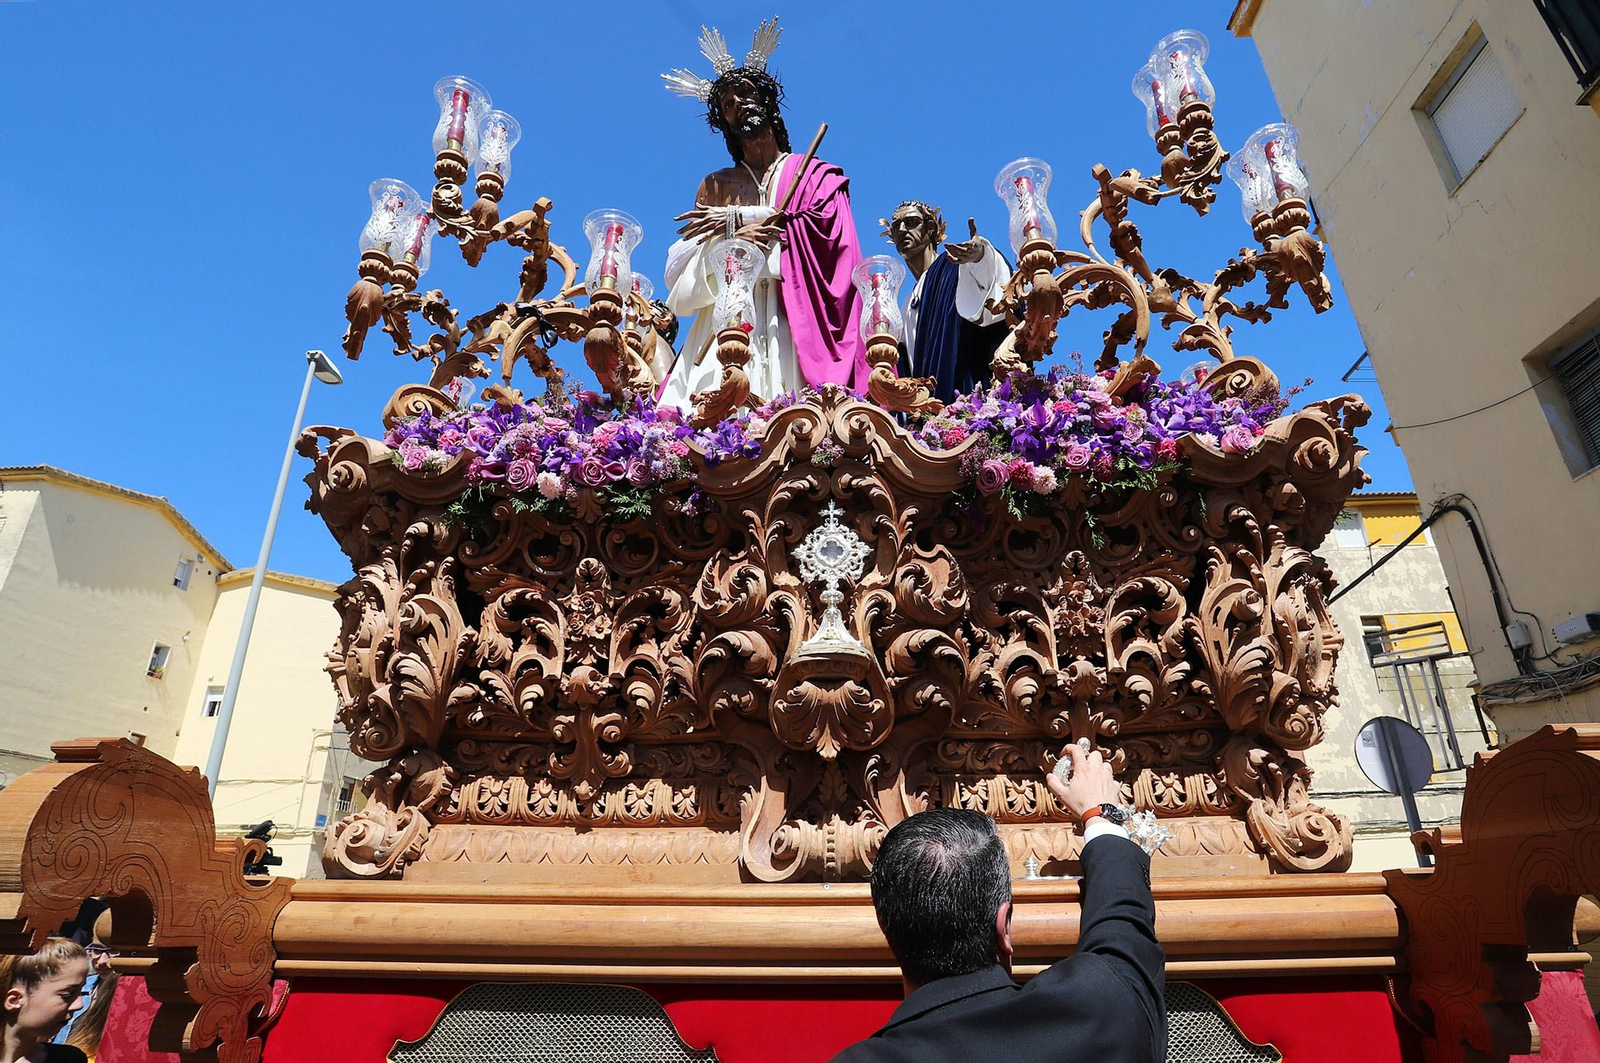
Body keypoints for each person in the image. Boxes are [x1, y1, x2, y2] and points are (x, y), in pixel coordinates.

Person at [832, 742, 1165, 1062]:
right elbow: (1123, 931)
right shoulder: (1099, 1009)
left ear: (886, 926)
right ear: (1003, 926)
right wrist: (1100, 815)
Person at [659, 18, 869, 409]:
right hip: (725, 322)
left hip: (793, 319)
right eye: (728, 103)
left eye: (746, 93)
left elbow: (834, 241)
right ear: (724, 121)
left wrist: (739, 220)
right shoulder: (715, 185)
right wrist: (726, 248)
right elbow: (677, 277)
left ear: (768, 102)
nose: (739, 103)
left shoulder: (811, 173)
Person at [883, 200, 1011, 405]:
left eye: (911, 222)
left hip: (961, 393)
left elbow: (992, 287)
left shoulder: (953, 266)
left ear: (931, 228)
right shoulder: (905, 302)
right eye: (896, 226)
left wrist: (980, 256)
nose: (901, 230)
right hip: (926, 407)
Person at [1, 938, 90, 1063]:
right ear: (15, 1000)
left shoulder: (69, 1058)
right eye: (67, 994)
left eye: (81, 991)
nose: (79, 1004)